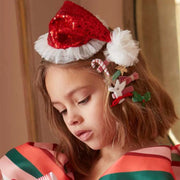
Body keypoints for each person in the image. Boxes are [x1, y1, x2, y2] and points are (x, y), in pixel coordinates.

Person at [0, 1, 180, 180]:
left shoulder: (165, 169)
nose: (72, 119)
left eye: (82, 100)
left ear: (121, 85)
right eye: (62, 110)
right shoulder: (52, 168)